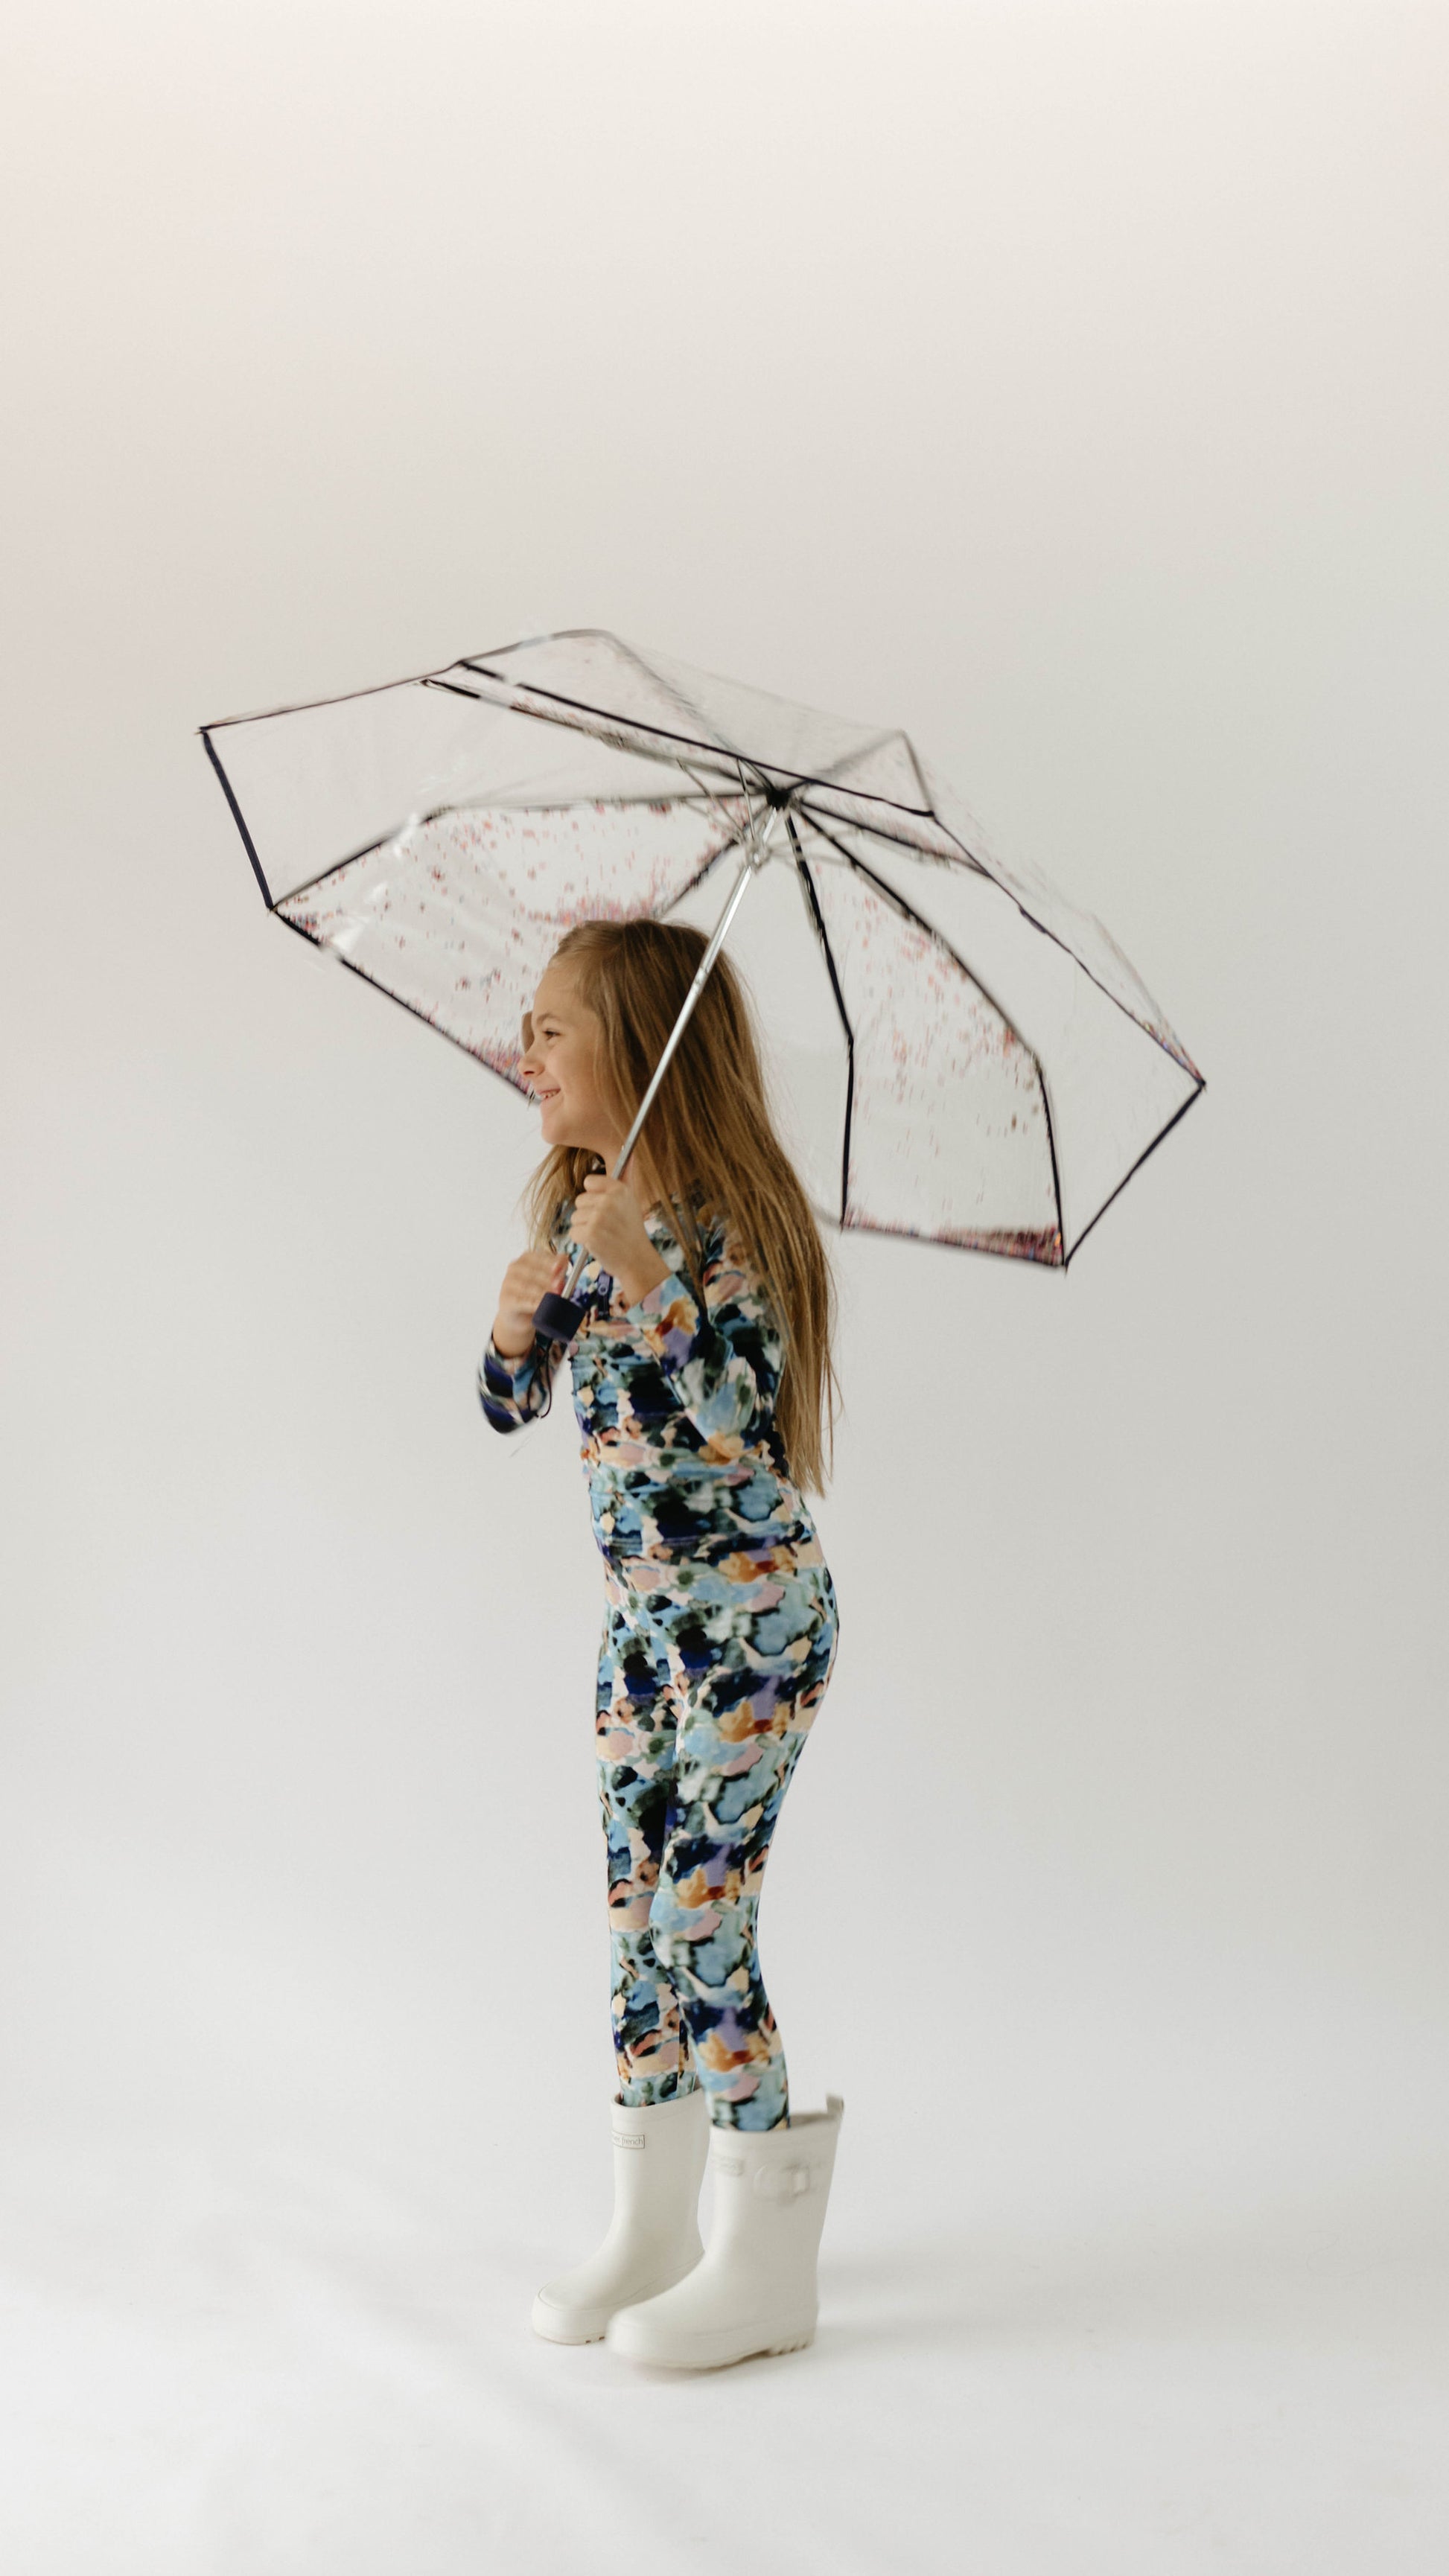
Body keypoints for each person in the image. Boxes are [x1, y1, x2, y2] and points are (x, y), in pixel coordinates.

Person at [478, 916, 845, 2371]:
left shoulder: (727, 1228)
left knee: (703, 1917)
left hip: (753, 1633)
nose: (528, 1053)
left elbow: (744, 1415)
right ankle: (655, 2221)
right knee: (639, 1921)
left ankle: (767, 2257)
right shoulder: (587, 1212)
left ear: (637, 1046)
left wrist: (651, 1275)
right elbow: (511, 1413)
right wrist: (515, 1333)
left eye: (553, 1029)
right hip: (641, 1637)